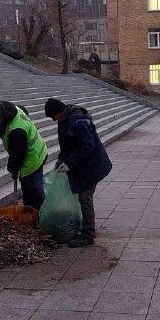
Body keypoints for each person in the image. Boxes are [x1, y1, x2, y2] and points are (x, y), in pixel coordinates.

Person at [44, 98, 112, 247]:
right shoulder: (64, 120)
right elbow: (67, 144)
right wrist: (61, 160)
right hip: (83, 165)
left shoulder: (77, 121)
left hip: (93, 166)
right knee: (82, 196)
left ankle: (88, 235)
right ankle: (84, 228)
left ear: (58, 112)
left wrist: (68, 163)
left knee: (85, 198)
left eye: (52, 117)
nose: (53, 120)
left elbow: (88, 146)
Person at [0, 101, 47, 209]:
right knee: (29, 188)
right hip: (36, 151)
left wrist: (13, 169)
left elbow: (18, 154)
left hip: (33, 159)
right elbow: (24, 110)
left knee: (33, 189)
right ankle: (30, 210)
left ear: (2, 115)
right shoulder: (14, 109)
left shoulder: (16, 131)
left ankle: (41, 214)